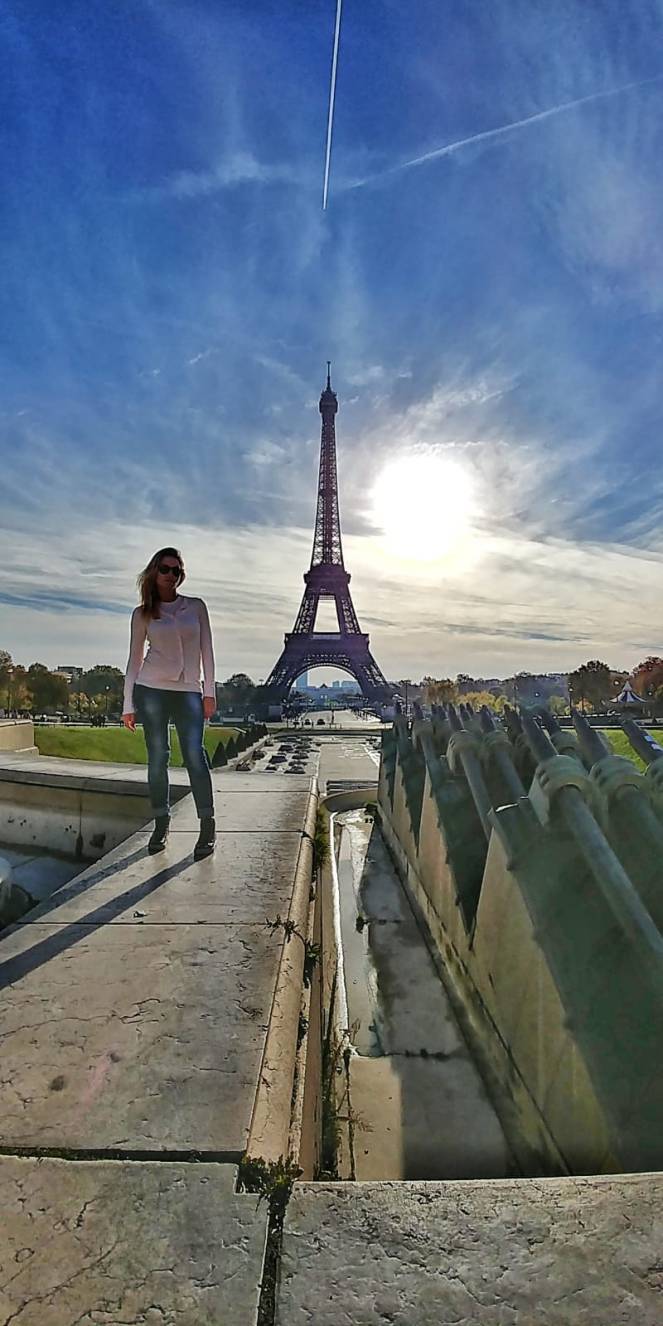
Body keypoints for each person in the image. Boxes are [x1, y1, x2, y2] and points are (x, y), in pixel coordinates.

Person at [122, 546, 217, 859]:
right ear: (154, 571)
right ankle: (161, 821)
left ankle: (207, 822)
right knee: (158, 756)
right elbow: (134, 660)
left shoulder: (196, 607)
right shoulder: (142, 613)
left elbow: (207, 651)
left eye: (177, 570)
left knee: (194, 754)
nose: (171, 575)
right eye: (165, 569)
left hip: (189, 689)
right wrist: (127, 704)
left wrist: (209, 692)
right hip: (151, 689)